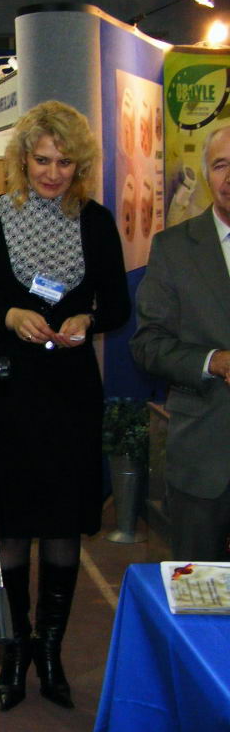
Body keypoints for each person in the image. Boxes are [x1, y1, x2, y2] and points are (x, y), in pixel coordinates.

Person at [0, 100, 130, 712]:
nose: (53, 173)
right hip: (8, 391)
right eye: (43, 160)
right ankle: (16, 653)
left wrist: (87, 319)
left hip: (69, 393)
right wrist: (7, 314)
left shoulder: (96, 221)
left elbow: (118, 306)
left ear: (80, 165)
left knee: (62, 527)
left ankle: (51, 652)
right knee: (11, 528)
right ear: (23, 159)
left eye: (65, 162)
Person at [131, 124, 230, 561]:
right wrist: (213, 362)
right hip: (203, 458)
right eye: (221, 165)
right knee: (196, 588)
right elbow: (148, 344)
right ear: (206, 175)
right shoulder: (174, 248)